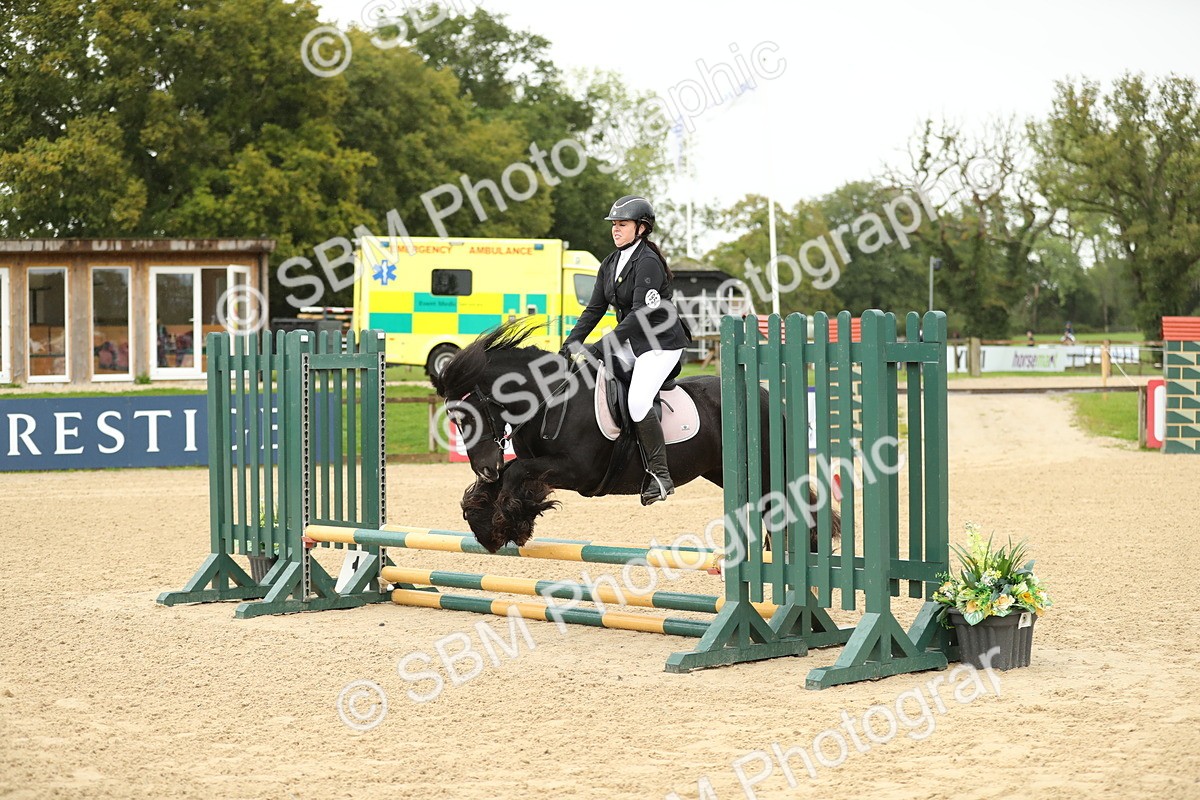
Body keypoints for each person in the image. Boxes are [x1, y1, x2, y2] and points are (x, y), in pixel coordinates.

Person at [560, 195, 691, 505]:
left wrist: (601, 346)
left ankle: (660, 474)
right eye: (614, 225)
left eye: (622, 224)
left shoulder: (648, 262)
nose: (615, 229)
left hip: (660, 344)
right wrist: (570, 343)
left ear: (641, 228)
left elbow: (640, 315)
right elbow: (594, 309)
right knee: (590, 378)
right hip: (634, 341)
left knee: (638, 400)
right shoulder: (610, 262)